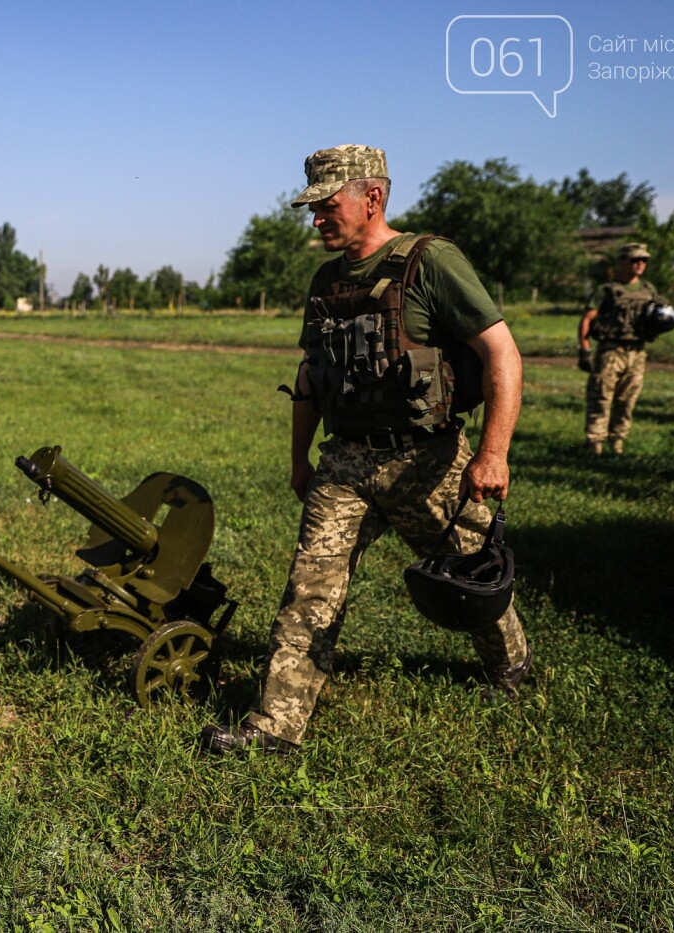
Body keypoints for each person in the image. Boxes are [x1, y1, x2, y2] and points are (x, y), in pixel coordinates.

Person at [200, 144, 532, 756]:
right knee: (310, 589)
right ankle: (274, 728)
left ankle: (510, 666)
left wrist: (494, 453)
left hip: (426, 459)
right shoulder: (326, 280)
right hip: (347, 461)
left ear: (371, 198)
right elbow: (309, 376)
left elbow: (502, 355)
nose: (317, 220)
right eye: (314, 210)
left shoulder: (431, 262)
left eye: (327, 207)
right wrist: (300, 461)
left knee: (471, 573)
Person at [578, 244, 667, 454]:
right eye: (635, 260)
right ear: (622, 261)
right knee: (601, 396)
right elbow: (587, 319)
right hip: (611, 350)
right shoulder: (606, 290)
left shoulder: (648, 289)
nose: (640, 264)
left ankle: (617, 441)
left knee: (628, 399)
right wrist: (585, 349)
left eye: (644, 260)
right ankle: (595, 442)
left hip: (637, 351)